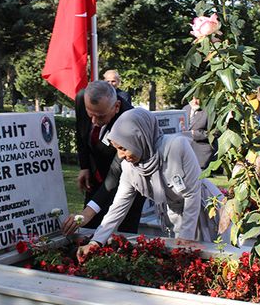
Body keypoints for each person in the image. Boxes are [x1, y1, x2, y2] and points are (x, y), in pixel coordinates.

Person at [75, 108, 231, 259]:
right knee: (187, 261)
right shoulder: (129, 167)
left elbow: (192, 193)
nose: (120, 155)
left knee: (219, 257)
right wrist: (96, 241)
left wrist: (186, 237)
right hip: (178, 215)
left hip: (208, 209)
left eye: (123, 148)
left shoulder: (177, 147)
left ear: (140, 138)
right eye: (117, 149)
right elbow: (117, 207)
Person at [68, 80, 145, 234]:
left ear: (116, 107)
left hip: (127, 183)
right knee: (88, 231)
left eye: (101, 116)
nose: (95, 122)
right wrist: (84, 166)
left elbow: (115, 173)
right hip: (96, 177)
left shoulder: (129, 121)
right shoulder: (83, 98)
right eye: (91, 114)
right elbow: (81, 131)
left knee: (121, 237)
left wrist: (87, 213)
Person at [182, 97, 215, 169]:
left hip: (202, 154)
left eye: (197, 99)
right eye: (192, 99)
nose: (194, 102)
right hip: (185, 152)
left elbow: (214, 132)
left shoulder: (210, 111)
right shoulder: (185, 109)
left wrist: (195, 134)